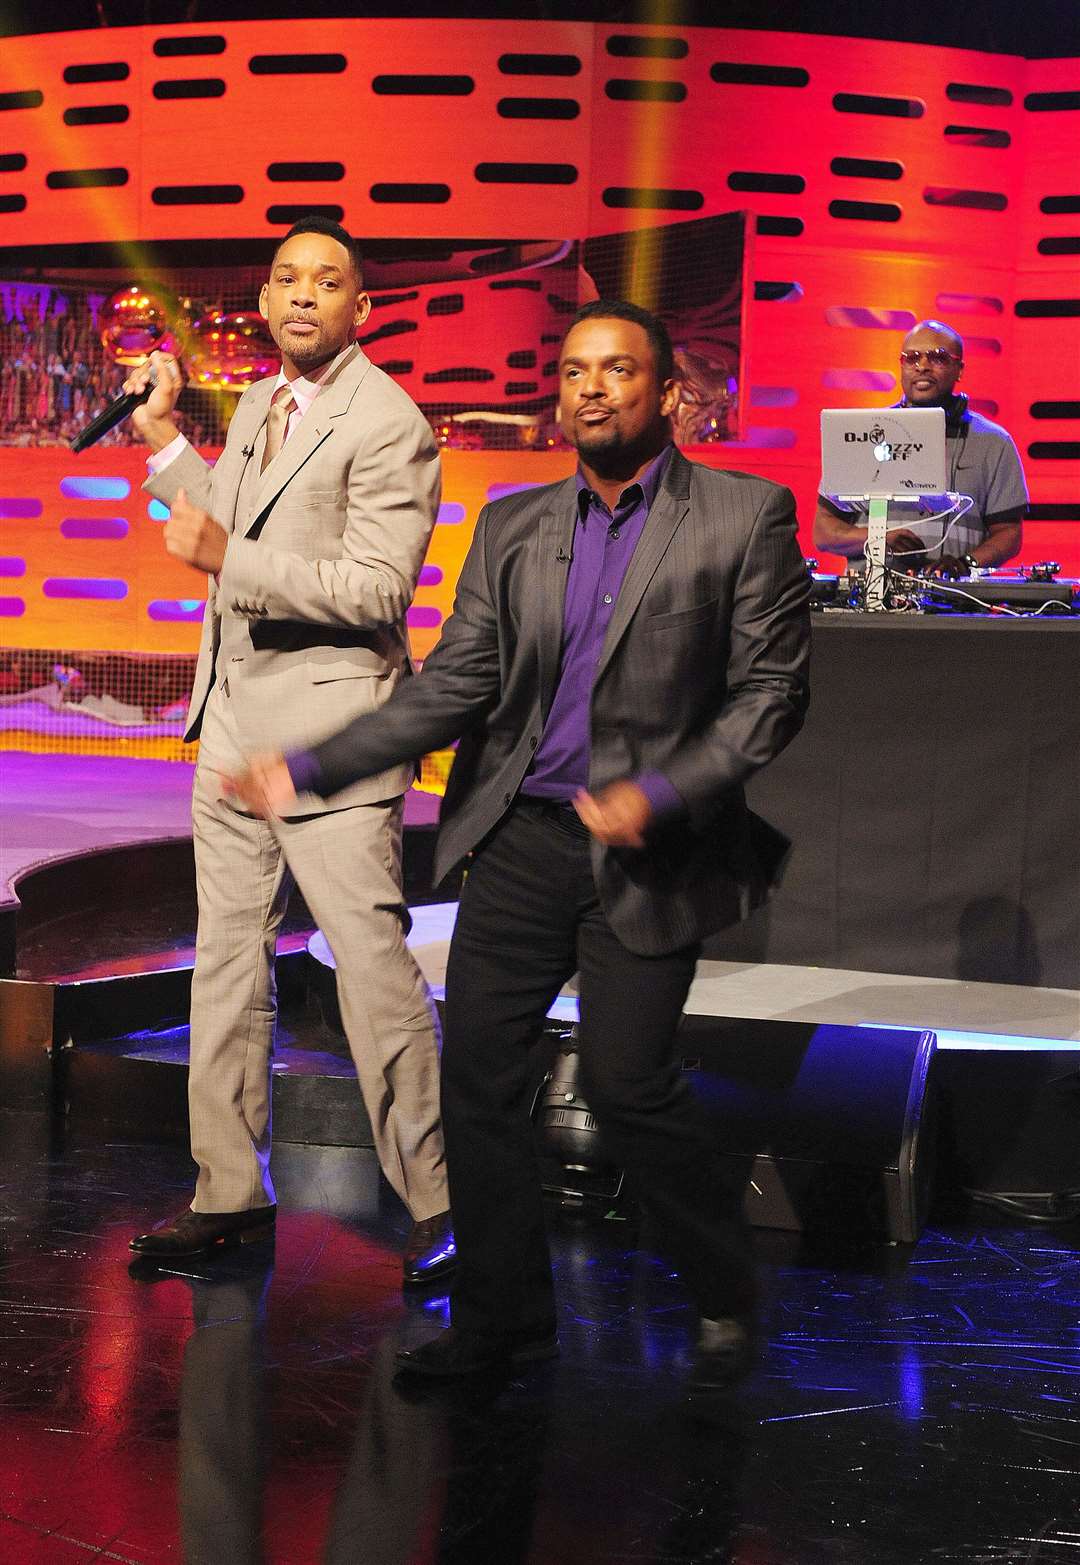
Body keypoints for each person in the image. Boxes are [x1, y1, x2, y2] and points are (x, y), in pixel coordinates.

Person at [226, 300, 812, 1385]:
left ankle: (725, 1278)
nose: (592, 387)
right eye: (576, 369)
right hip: (525, 841)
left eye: (619, 369)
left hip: (651, 850)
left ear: (669, 392)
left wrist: (658, 793)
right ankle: (503, 1318)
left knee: (631, 1087)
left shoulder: (744, 514)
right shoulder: (514, 523)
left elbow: (769, 697)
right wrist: (314, 763)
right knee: (481, 1082)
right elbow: (457, 682)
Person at [124, 216, 454, 1287]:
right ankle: (227, 1188)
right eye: (284, 279)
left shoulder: (388, 419)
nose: (302, 295)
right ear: (263, 304)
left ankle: (441, 1202)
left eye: (327, 281)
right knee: (226, 963)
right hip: (230, 726)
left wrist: (233, 554)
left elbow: (377, 590)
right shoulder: (266, 403)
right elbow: (214, 530)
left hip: (331, 739)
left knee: (370, 971)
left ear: (363, 309)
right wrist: (166, 440)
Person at [813, 319, 1027, 578]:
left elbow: (1009, 533)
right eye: (912, 358)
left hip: (956, 602)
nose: (923, 366)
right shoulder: (861, 433)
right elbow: (824, 532)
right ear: (901, 366)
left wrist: (965, 564)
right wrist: (880, 538)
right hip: (870, 600)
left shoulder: (994, 442)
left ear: (959, 369)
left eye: (938, 358)